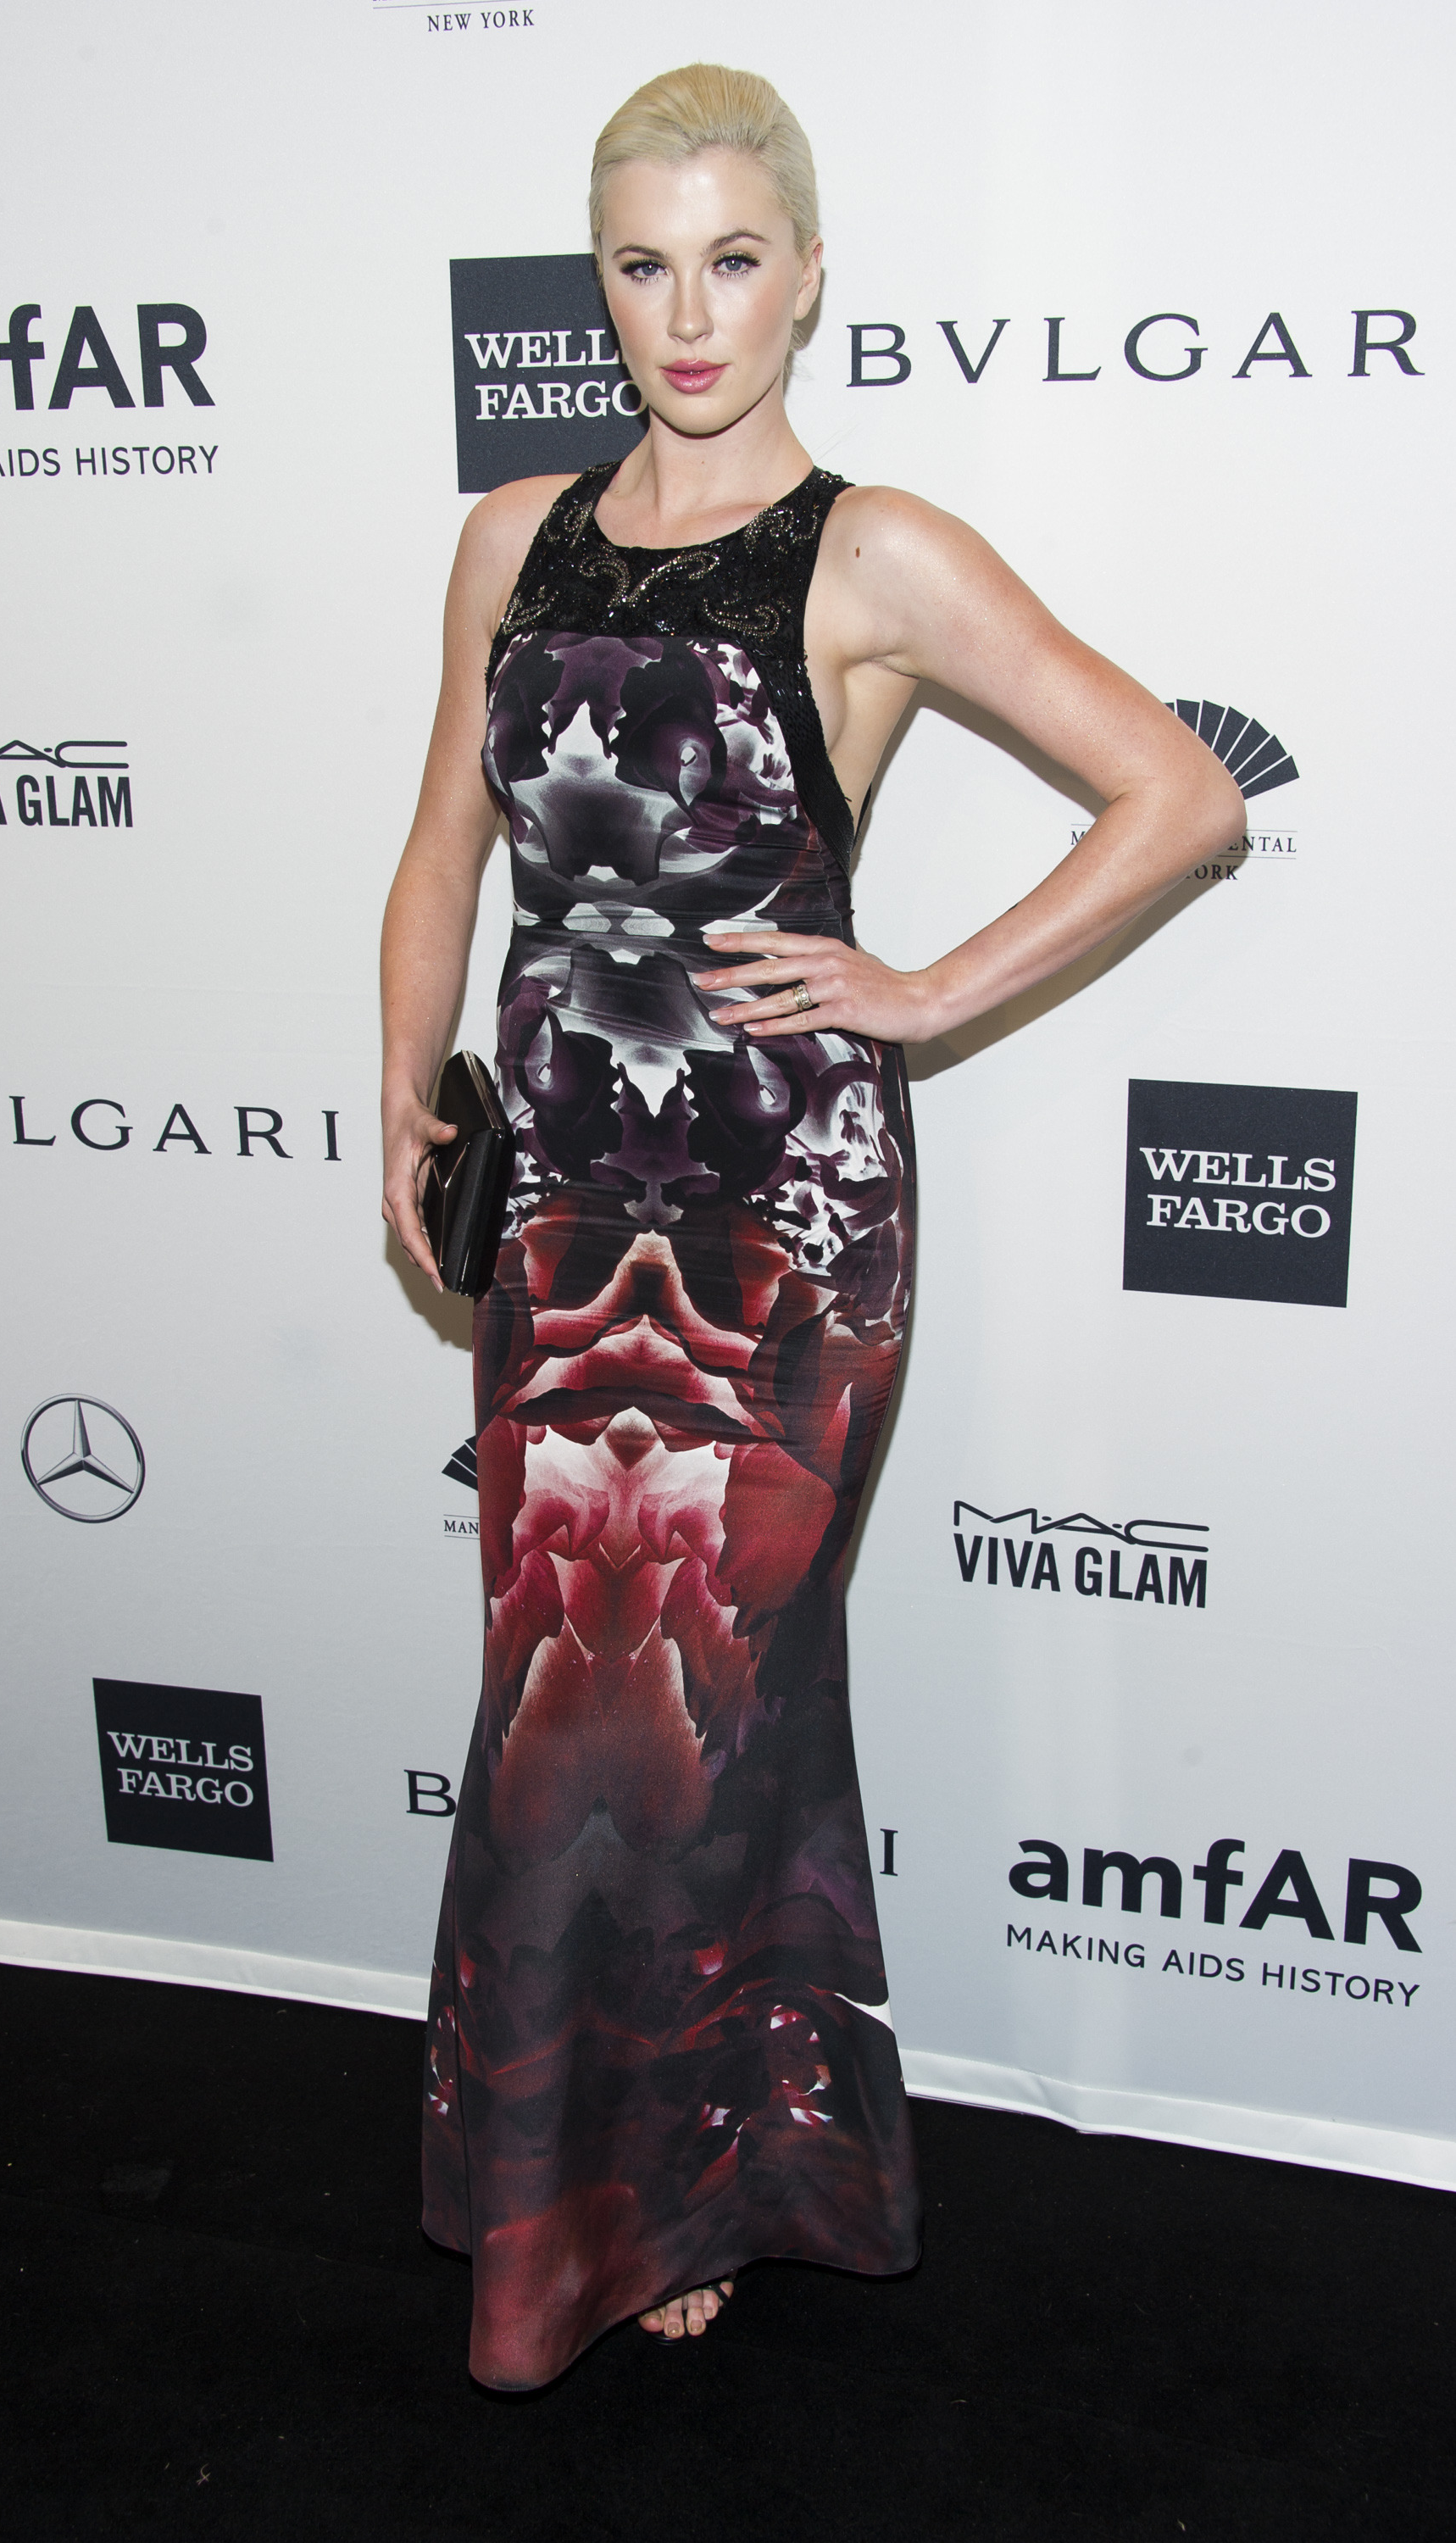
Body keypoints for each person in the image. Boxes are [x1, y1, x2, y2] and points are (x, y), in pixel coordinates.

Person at [380, 63, 1243, 2392]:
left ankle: (651, 2201)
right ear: (601, 283)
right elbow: (442, 850)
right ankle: (672, 2173)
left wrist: (925, 989)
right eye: (644, 266)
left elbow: (1175, 798)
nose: (690, 314)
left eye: (734, 260)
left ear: (810, 275)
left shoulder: (873, 554)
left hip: (782, 1213)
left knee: (680, 1704)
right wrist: (405, 1092)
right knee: (582, 1695)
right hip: (559, 1197)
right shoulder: (511, 533)